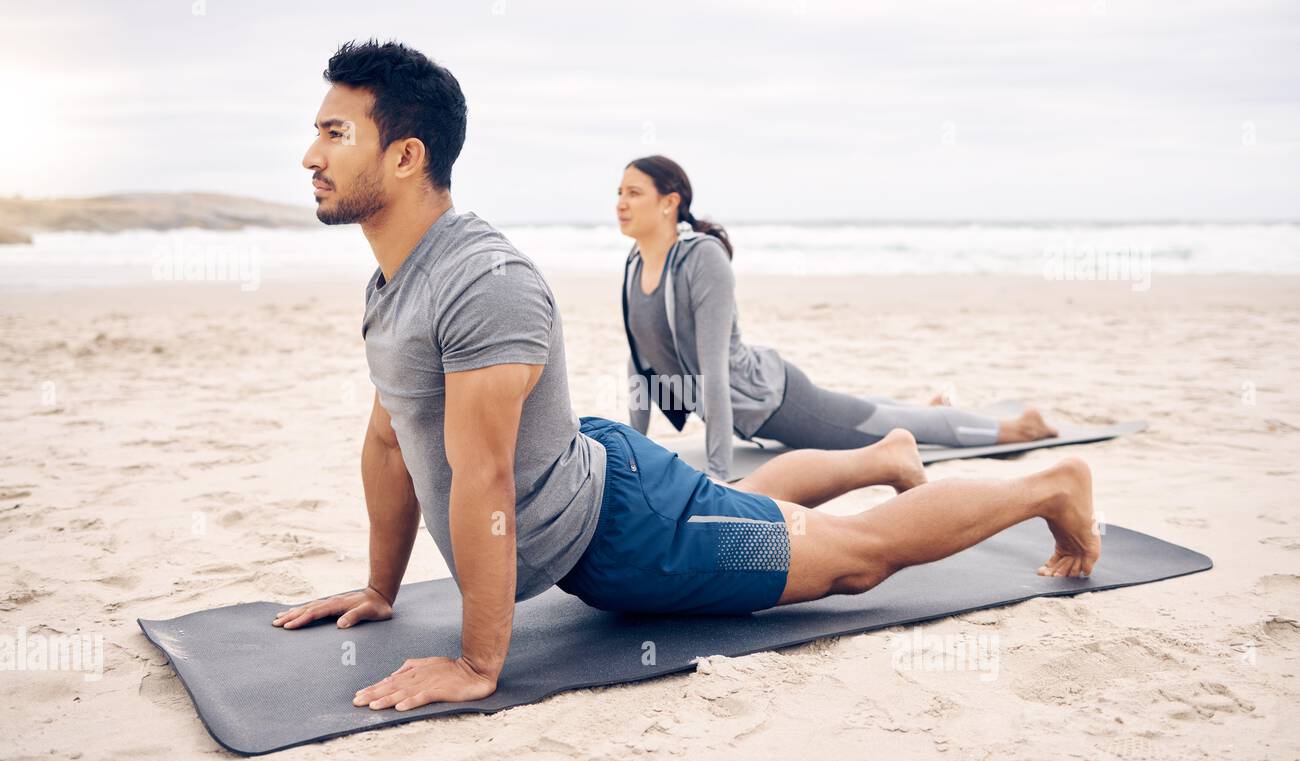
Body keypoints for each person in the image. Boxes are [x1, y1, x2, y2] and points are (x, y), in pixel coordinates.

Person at [272, 40, 1101, 714]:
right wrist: (383, 589)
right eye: (318, 130)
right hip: (603, 492)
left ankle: (1050, 485)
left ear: (407, 154)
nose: (311, 154)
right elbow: (390, 439)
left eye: (336, 133)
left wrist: (479, 663)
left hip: (633, 534)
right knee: (750, 510)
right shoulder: (396, 282)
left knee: (855, 559)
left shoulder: (484, 284)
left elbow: (485, 478)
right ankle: (883, 456)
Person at [617, 155, 1059, 482]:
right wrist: (635, 455)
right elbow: (639, 365)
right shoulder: (635, 264)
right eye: (619, 193)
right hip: (757, 407)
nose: (621, 202)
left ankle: (1018, 427)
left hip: (776, 400)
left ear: (669, 202)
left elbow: (713, 371)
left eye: (633, 193)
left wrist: (718, 472)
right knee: (859, 409)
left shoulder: (703, 260)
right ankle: (927, 405)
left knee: (883, 430)